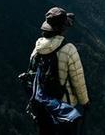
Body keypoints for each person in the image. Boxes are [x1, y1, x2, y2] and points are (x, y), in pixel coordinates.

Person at [30, 7, 90, 135]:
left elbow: (32, 73)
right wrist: (85, 101)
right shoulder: (68, 49)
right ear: (63, 29)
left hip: (43, 105)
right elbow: (78, 80)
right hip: (64, 107)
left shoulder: (37, 49)